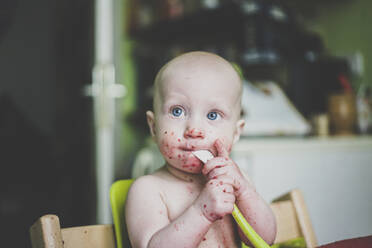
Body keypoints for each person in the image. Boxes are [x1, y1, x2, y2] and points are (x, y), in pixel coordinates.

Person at [125, 51, 277, 248]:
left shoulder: (237, 182)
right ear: (153, 127)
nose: (194, 130)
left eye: (213, 115)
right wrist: (201, 212)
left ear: (236, 133)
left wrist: (245, 192)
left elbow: (266, 239)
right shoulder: (148, 190)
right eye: (177, 111)